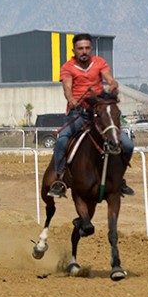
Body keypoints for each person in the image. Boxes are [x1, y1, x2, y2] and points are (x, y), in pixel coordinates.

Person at [47, 33, 134, 198]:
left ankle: (119, 177)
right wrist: (72, 99)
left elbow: (110, 79)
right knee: (62, 140)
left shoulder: (99, 62)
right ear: (74, 50)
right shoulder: (67, 67)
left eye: (87, 48)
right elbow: (67, 88)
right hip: (78, 113)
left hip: (99, 114)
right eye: (80, 48)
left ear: (91, 48)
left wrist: (113, 86)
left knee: (128, 144)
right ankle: (59, 179)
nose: (84, 51)